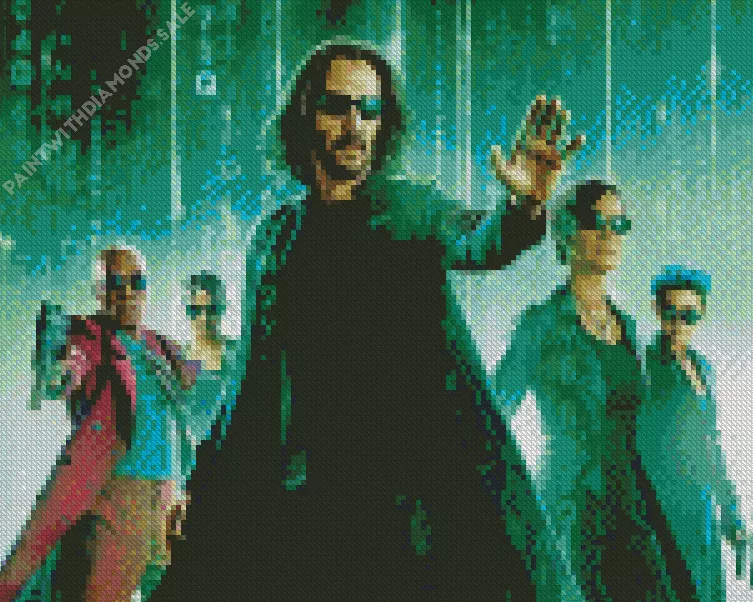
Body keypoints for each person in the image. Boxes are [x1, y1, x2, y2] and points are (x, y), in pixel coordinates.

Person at [153, 42, 585, 600]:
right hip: (315, 515)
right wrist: (200, 485)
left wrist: (524, 206)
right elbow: (248, 389)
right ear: (306, 115)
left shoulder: (409, 211)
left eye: (370, 110)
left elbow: (483, 242)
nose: (355, 125)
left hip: (413, 517)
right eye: (338, 106)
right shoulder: (275, 238)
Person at [493, 180, 697, 601]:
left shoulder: (630, 328)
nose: (609, 234)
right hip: (572, 513)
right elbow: (494, 415)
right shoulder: (540, 324)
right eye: (596, 221)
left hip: (634, 510)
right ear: (566, 230)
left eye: (619, 224)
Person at [0, 247, 195, 602]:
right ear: (99, 291)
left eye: (136, 282)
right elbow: (68, 368)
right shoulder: (87, 336)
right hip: (122, 495)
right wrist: (58, 371)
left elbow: (192, 397)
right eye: (115, 283)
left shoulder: (160, 346)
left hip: (168, 497)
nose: (127, 293)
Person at [637, 266, 748, 601]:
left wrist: (732, 515)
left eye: (688, 315)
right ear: (657, 310)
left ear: (702, 313)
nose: (678, 324)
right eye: (670, 313)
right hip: (663, 510)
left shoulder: (703, 367)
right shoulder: (645, 365)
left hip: (702, 511)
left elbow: (710, 444)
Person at [138, 271, 241, 600]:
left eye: (212, 310)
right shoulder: (176, 361)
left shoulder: (239, 356)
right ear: (186, 311)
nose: (204, 319)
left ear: (222, 309)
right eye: (196, 310)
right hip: (189, 478)